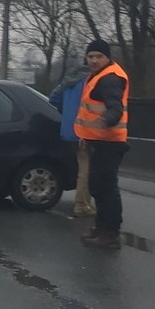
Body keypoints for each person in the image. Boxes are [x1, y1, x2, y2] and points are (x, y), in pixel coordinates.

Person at [74, 38, 129, 249]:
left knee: (106, 188)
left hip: (109, 141)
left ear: (108, 57)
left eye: (99, 56)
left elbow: (115, 107)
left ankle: (111, 233)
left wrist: (106, 120)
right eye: (91, 56)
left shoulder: (110, 79)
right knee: (98, 186)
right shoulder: (98, 76)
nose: (94, 60)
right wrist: (87, 136)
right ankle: (102, 228)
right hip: (99, 140)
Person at [48, 63, 95, 219]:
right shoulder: (89, 82)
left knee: (82, 166)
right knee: (86, 169)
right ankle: (81, 204)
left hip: (68, 130)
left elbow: (53, 99)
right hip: (84, 129)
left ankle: (84, 202)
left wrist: (66, 111)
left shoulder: (67, 82)